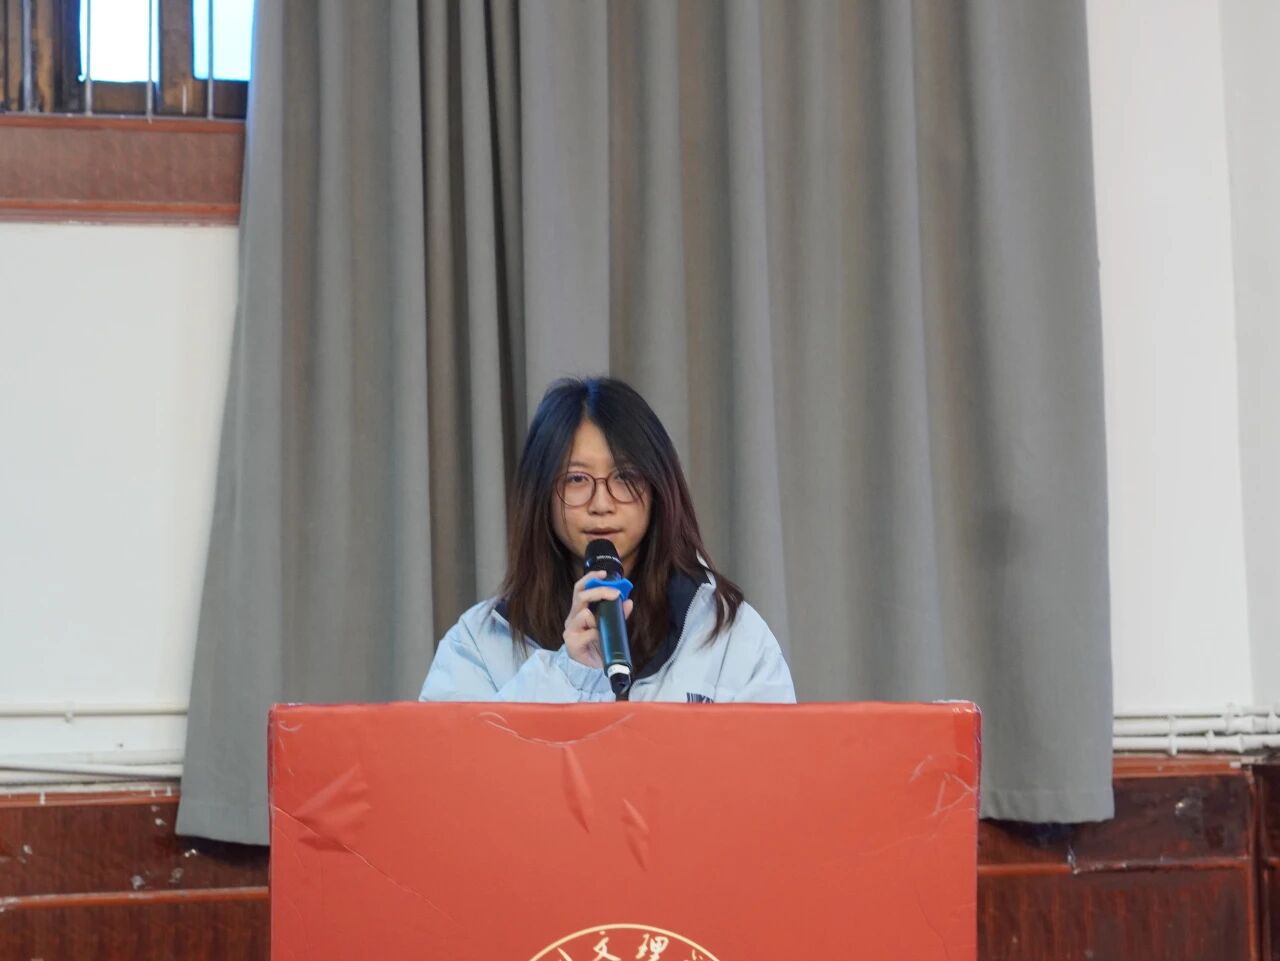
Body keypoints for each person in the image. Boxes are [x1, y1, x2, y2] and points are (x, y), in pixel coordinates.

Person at [419, 377, 795, 703]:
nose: (601, 504)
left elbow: (776, 759)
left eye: (625, 478)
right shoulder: (479, 644)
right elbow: (454, 760)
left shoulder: (727, 633)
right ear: (541, 493)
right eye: (576, 480)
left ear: (659, 488)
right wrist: (568, 674)